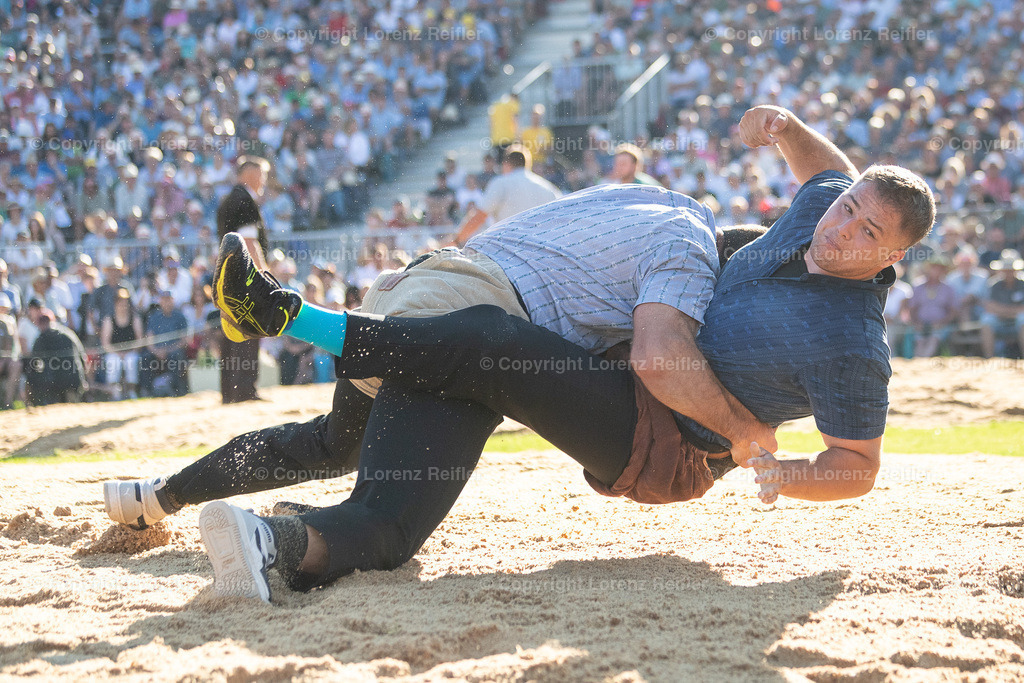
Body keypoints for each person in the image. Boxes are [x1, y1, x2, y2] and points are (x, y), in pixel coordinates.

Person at [106, 105, 935, 603]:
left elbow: (858, 464)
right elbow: (831, 172)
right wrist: (787, 129)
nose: (842, 228)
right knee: (361, 455)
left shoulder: (853, 342)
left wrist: (776, 465)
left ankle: (291, 318)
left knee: (492, 343)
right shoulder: (817, 213)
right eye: (847, 208)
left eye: (866, 230)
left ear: (891, 257)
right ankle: (185, 505)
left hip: (672, 445)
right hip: (614, 376)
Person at [216, 156, 270, 403]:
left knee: (231, 332)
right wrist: (264, 275)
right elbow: (249, 242)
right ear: (250, 174)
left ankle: (230, 391)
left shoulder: (228, 200)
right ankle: (246, 389)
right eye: (262, 174)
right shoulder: (245, 200)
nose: (264, 180)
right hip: (245, 277)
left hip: (228, 276)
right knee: (249, 329)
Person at [450, 146, 561, 246]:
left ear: (506, 164)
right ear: (528, 164)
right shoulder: (548, 188)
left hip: (508, 249)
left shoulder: (501, 182)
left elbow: (479, 216)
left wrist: (456, 241)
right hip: (539, 250)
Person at [25, 309, 87, 405]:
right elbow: (83, 357)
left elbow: (33, 364)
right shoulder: (69, 333)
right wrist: (84, 379)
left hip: (51, 383)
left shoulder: (40, 339)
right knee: (71, 404)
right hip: (73, 380)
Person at [100, 288, 144, 400]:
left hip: (131, 352)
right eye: (120, 302)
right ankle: (114, 392)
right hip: (114, 353)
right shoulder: (109, 320)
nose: (122, 305)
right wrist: (118, 353)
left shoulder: (135, 318)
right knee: (113, 361)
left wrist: (128, 352)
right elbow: (105, 343)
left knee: (131, 360)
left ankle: (131, 391)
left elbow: (139, 340)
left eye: (125, 302)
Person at [979, 252, 1024, 358]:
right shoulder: (993, 284)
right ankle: (989, 358)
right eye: (1006, 270)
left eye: (1011, 270)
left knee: (1022, 319)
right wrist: (1012, 312)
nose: (1008, 273)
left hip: (1016, 321)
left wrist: (1003, 311)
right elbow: (989, 306)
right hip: (1000, 320)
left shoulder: (1022, 283)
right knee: (986, 320)